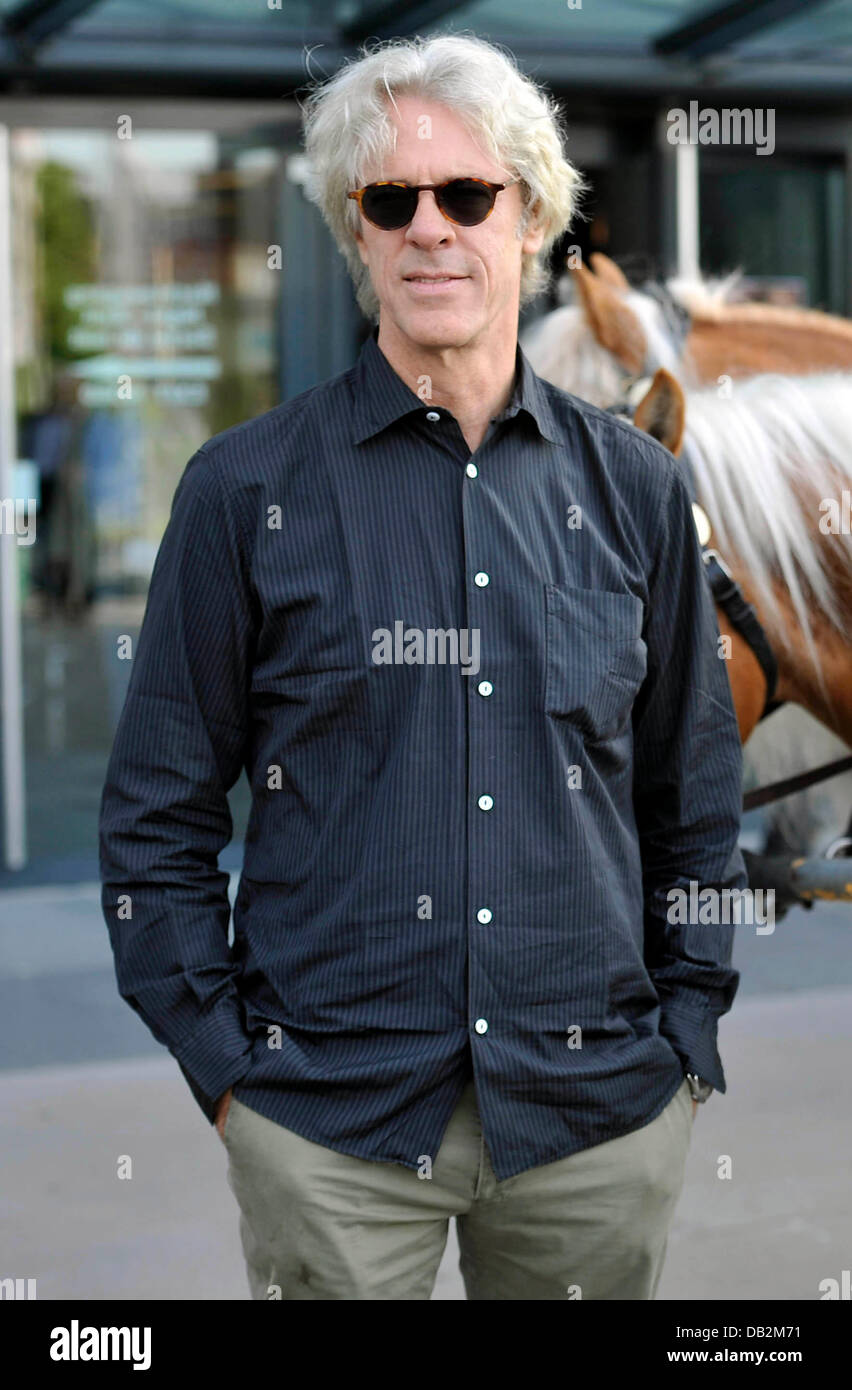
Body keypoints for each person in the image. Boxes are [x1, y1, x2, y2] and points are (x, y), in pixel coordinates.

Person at [99, 33, 745, 1301]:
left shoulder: (638, 493)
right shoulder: (243, 492)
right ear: (357, 231)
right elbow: (155, 817)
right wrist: (230, 1075)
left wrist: (688, 1040)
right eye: (391, 200)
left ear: (533, 217)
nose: (430, 229)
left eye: (467, 195)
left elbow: (697, 803)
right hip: (326, 1132)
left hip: (597, 1119)